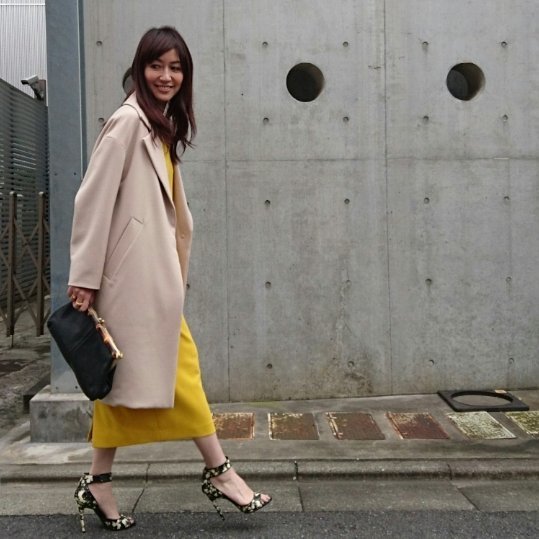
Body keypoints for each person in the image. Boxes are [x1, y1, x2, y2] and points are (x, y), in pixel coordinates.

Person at [67, 26, 271, 532]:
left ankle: (98, 481)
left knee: (115, 378)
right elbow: (91, 200)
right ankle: (220, 472)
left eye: (176, 67)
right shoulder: (126, 123)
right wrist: (85, 277)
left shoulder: (157, 125)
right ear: (140, 69)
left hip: (149, 279)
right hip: (129, 283)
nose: (166, 76)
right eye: (157, 65)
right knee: (181, 368)